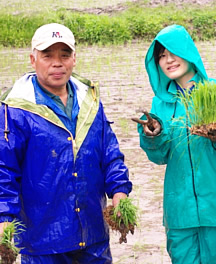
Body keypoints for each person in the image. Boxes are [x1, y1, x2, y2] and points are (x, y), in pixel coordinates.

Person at [0, 23, 132, 263]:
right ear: (33, 59)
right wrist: (3, 219)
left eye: (64, 55)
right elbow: (4, 170)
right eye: (47, 55)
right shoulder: (16, 110)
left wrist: (120, 195)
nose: (57, 63)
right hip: (43, 241)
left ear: (74, 58)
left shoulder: (90, 102)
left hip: (93, 234)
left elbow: (110, 153)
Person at [132, 24, 216, 264]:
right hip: (180, 214)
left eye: (173, 52)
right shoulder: (160, 105)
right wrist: (153, 136)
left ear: (188, 51)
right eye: (161, 56)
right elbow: (159, 157)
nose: (168, 60)